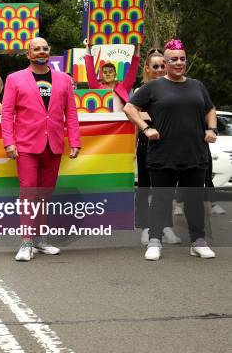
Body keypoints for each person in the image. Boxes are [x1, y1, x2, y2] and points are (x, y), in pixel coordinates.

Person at [124, 39, 217, 261]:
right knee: (161, 200)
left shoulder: (197, 86)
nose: (178, 63)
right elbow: (129, 107)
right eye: (173, 59)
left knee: (194, 201)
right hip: (163, 154)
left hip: (195, 153)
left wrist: (211, 129)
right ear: (165, 63)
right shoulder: (153, 87)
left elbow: (210, 108)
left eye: (182, 59)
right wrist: (146, 128)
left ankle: (198, 241)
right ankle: (155, 241)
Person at [1, 37, 81, 261]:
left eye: (45, 48)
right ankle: (26, 242)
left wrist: (75, 140)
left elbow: (71, 114)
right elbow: (7, 113)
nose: (41, 51)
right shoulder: (14, 79)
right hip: (26, 145)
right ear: (28, 54)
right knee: (28, 193)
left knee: (45, 195)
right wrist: (9, 142)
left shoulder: (64, 80)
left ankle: (40, 241)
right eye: (36, 49)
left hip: (53, 145)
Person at [134, 49, 182, 245]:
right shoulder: (141, 91)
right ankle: (146, 227)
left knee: (167, 189)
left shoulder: (177, 88)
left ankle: (166, 226)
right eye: (156, 67)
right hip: (147, 144)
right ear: (147, 69)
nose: (160, 69)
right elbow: (133, 118)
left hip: (171, 144)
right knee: (145, 187)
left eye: (163, 65)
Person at [84, 39, 141, 111]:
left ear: (115, 74)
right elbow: (90, 72)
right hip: (105, 121)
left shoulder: (123, 87)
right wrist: (88, 47)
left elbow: (133, 69)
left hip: (122, 121)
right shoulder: (97, 88)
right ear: (102, 75)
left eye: (110, 72)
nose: (107, 74)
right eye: (105, 72)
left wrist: (137, 46)